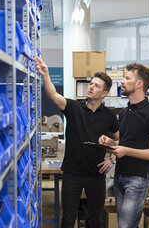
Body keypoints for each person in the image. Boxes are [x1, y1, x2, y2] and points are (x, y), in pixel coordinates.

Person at [35, 56, 119, 228]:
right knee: (68, 218)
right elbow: (53, 95)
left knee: (96, 219)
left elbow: (121, 141)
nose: (91, 87)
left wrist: (112, 158)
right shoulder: (73, 107)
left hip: (96, 175)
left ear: (104, 93)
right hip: (72, 174)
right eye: (91, 84)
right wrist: (46, 76)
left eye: (96, 86)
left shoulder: (109, 117)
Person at [99, 63, 149, 228]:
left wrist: (125, 150)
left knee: (126, 226)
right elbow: (125, 143)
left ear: (139, 84)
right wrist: (112, 143)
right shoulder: (124, 112)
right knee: (125, 225)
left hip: (138, 179)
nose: (122, 81)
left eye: (127, 78)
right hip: (120, 176)